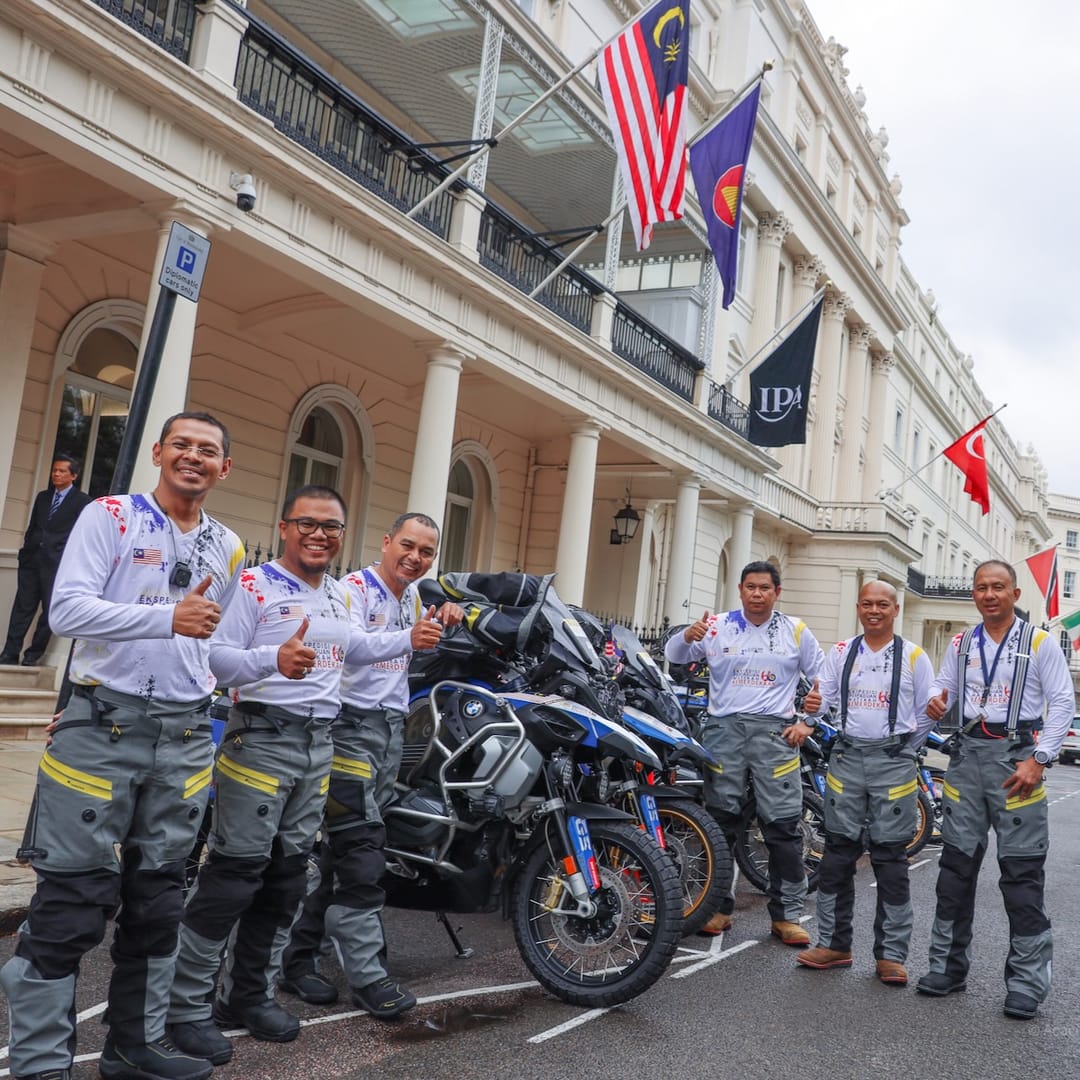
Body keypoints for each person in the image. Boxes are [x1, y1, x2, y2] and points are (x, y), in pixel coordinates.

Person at [0, 413, 243, 1080]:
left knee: (160, 899)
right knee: (72, 903)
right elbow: (67, 611)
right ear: (160, 452)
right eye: (184, 445)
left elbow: (209, 645)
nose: (195, 457)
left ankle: (133, 1047)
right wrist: (167, 617)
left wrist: (268, 661)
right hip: (104, 729)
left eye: (210, 451)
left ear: (225, 469)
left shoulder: (227, 545)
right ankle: (41, 1067)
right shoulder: (109, 516)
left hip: (186, 735)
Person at [279, 512, 463, 1019]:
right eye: (407, 545)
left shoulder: (412, 597)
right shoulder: (351, 589)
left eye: (426, 552)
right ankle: (370, 977)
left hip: (388, 733)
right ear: (386, 541)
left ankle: (295, 962)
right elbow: (348, 648)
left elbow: (412, 652)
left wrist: (446, 617)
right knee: (363, 853)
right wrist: (410, 640)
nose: (415, 558)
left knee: (340, 854)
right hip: (347, 730)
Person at [915, 560, 1074, 1020]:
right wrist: (936, 701)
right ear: (974, 594)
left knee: (1021, 877)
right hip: (966, 760)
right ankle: (946, 968)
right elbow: (942, 690)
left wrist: (1039, 759)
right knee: (954, 872)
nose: (989, 595)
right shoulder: (962, 642)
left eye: (998, 587)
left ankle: (1026, 984)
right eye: (982, 587)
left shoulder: (1040, 642)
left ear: (1014, 592)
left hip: (1017, 762)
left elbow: (1062, 701)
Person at [665, 560, 824, 945]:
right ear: (740, 590)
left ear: (777, 592)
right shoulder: (717, 626)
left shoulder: (795, 631)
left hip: (776, 735)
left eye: (764, 588)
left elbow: (827, 677)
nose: (757, 594)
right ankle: (718, 908)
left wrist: (808, 722)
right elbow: (674, 658)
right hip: (724, 731)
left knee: (783, 825)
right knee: (721, 821)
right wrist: (688, 635)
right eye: (750, 587)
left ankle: (786, 915)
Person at [796, 580, 935, 985]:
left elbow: (929, 711)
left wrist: (905, 746)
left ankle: (891, 955)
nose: (874, 610)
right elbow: (823, 703)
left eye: (883, 604)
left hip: (894, 761)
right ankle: (835, 944)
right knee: (838, 852)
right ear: (858, 607)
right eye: (868, 604)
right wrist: (812, 712)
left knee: (891, 858)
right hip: (847, 757)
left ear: (895, 609)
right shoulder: (840, 653)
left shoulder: (913, 656)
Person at [0, 454, 91, 666]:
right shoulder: (42, 496)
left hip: (58, 565)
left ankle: (33, 655)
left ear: (73, 476)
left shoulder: (83, 501)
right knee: (22, 608)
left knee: (49, 610)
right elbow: (33, 526)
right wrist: (26, 549)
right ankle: (10, 653)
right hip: (32, 561)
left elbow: (81, 534)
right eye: (54, 470)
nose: (56, 474)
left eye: (61, 471)